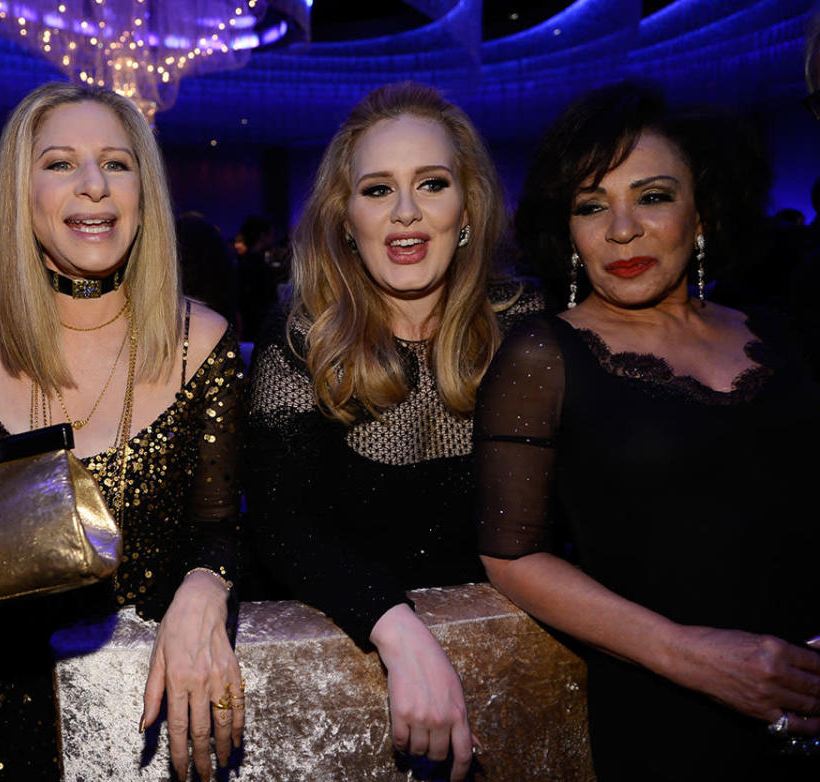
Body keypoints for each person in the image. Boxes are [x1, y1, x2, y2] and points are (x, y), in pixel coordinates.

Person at [0, 82, 245, 781]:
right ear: (22, 191)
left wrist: (206, 582)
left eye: (118, 163)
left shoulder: (205, 340)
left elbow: (220, 523)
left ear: (143, 192)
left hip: (131, 722)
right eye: (61, 162)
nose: (94, 185)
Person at [475, 83, 820, 781]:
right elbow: (510, 555)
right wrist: (688, 656)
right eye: (591, 206)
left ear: (703, 213)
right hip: (673, 716)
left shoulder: (777, 334)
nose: (621, 229)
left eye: (653, 196)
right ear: (566, 230)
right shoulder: (542, 355)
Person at [247, 82, 542, 781]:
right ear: (344, 218)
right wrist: (401, 631)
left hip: (508, 669)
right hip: (338, 680)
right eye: (377, 190)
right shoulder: (302, 335)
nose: (406, 214)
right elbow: (281, 526)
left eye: (431, 184)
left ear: (467, 206)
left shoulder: (525, 323)